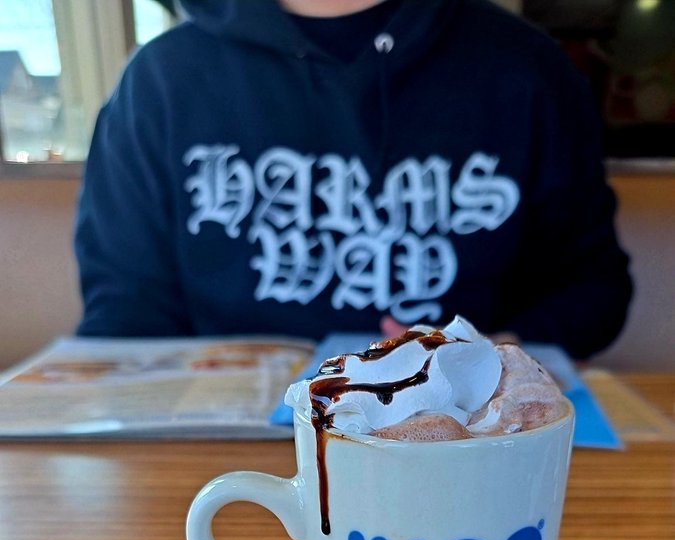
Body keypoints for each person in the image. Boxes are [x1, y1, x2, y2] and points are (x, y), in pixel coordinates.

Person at [74, 0, 633, 359]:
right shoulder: (160, 80)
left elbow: (594, 288)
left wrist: (491, 354)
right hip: (222, 448)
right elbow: (124, 308)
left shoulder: (528, 70)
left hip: (462, 442)